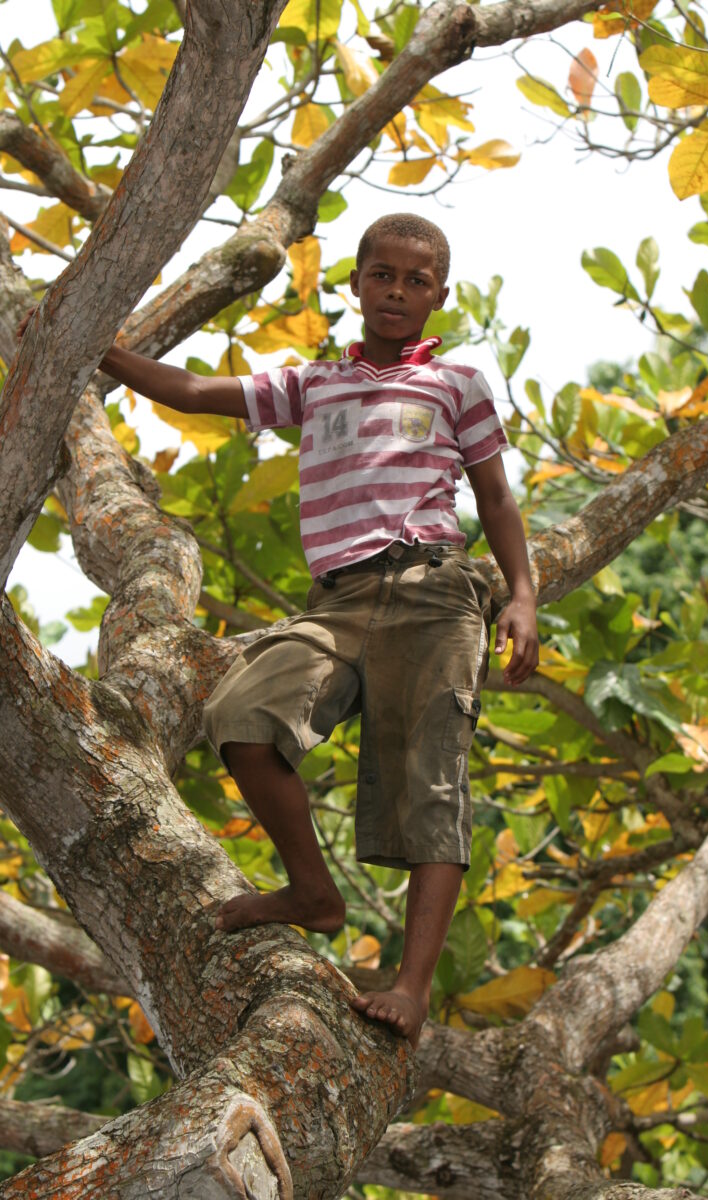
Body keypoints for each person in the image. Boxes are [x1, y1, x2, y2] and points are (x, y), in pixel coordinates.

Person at [80, 213, 539, 1047]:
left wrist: (523, 597)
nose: (396, 291)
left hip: (434, 592)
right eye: (382, 275)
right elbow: (193, 392)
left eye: (416, 280)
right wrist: (95, 347)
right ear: (355, 283)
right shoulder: (313, 384)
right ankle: (311, 892)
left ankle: (412, 985)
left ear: (438, 296)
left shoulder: (457, 384)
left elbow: (497, 499)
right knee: (240, 717)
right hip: (336, 603)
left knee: (432, 779)